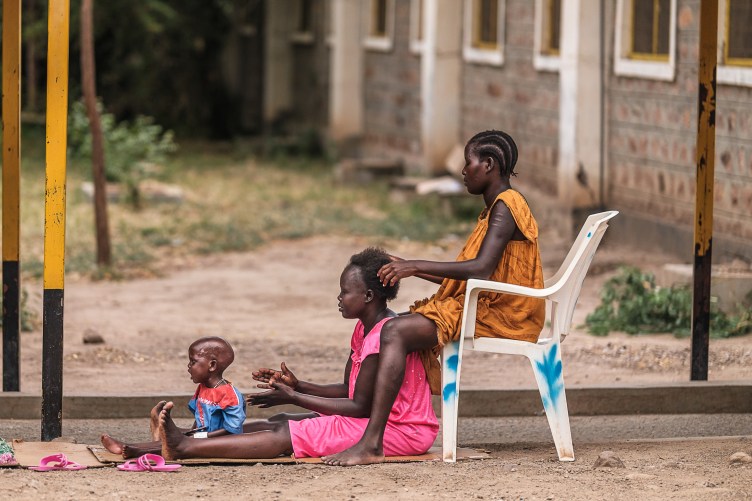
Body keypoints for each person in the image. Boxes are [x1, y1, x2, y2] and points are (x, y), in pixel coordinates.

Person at [322, 129, 545, 466]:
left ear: (487, 165)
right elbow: (465, 274)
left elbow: (481, 270)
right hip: (485, 301)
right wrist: (404, 264)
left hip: (504, 311)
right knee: (399, 329)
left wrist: (414, 266)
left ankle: (373, 440)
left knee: (393, 330)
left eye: (467, 164)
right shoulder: (495, 209)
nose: (463, 171)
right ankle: (395, 426)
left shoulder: (507, 207)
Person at [155, 247, 439, 460]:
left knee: (288, 434)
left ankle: (185, 447)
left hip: (402, 431)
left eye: (345, 292)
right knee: (281, 421)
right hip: (375, 422)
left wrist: (296, 398)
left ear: (368, 296)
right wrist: (298, 386)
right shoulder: (363, 331)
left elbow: (360, 407)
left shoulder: (384, 333)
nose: (339, 298)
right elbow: (348, 390)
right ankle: (169, 442)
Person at [101, 336, 245, 458]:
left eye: (193, 362)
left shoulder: (230, 395)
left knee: (176, 442)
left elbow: (232, 429)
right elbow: (199, 417)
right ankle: (147, 438)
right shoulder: (203, 388)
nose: (189, 366)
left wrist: (200, 437)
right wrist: (192, 432)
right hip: (203, 436)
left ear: (212, 365)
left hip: (220, 441)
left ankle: (135, 451)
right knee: (175, 435)